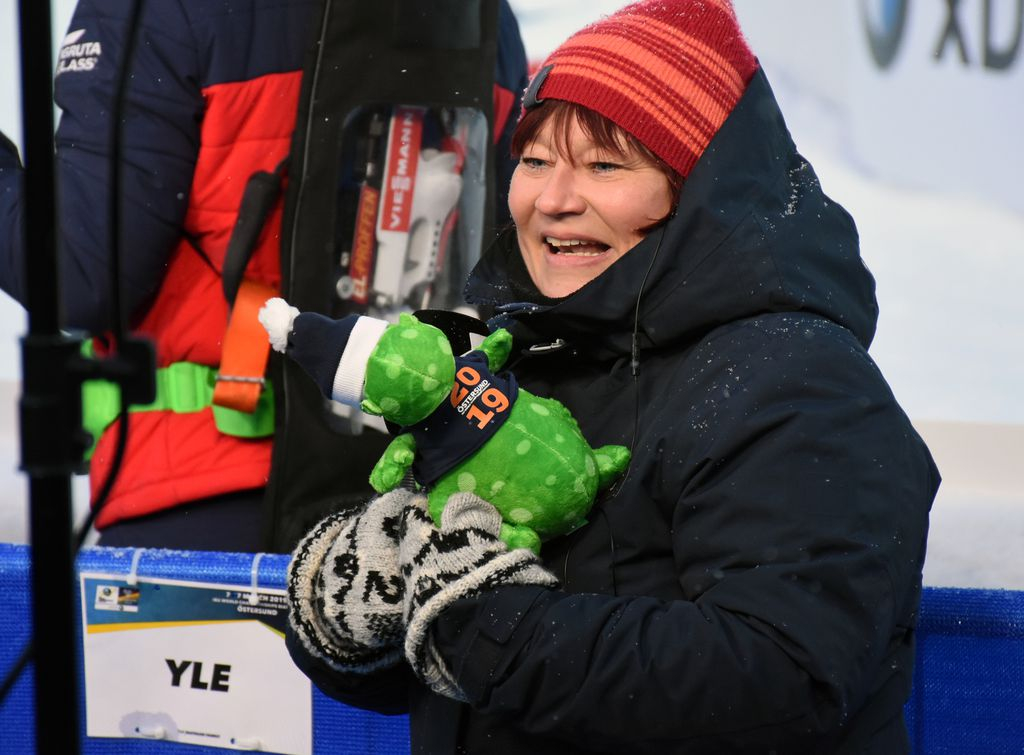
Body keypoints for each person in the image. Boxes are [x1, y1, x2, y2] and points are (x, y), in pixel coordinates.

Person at [285, 0, 940, 751]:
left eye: (605, 165)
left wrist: (483, 618)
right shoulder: (517, 357)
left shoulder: (800, 385)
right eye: (535, 161)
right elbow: (455, 672)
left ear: (697, 193)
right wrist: (359, 611)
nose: (556, 200)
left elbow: (783, 674)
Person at [0, 0, 529, 551]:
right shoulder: (485, 14)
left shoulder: (152, 11)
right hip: (425, 496)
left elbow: (80, 274)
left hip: (208, 493)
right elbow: (500, 267)